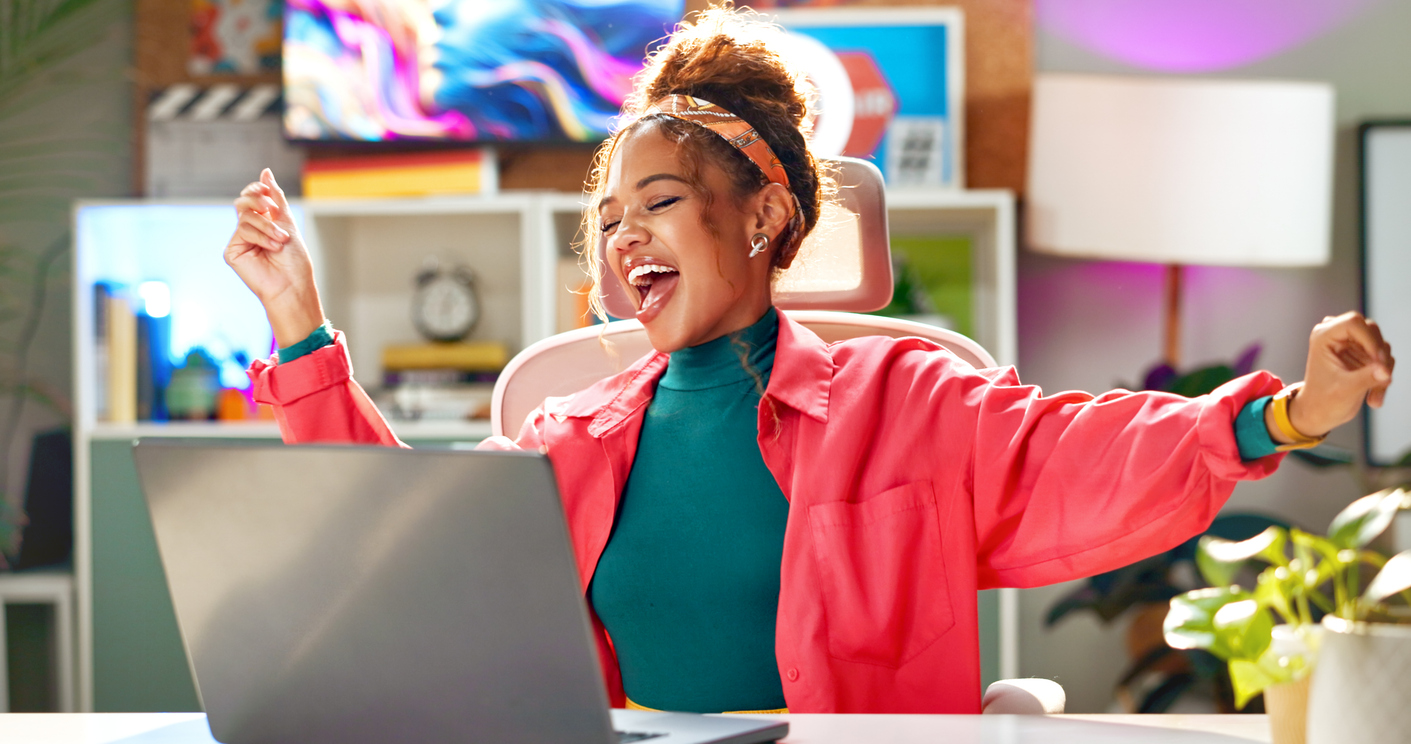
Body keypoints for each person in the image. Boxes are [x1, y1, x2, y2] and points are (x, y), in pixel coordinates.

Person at [224, 7, 1394, 716]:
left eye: (663, 202)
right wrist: (300, 328)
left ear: (765, 218)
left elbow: (1082, 450)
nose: (626, 237)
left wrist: (1288, 413)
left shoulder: (911, 397)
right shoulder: (565, 435)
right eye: (611, 217)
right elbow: (405, 547)